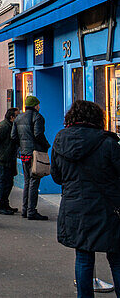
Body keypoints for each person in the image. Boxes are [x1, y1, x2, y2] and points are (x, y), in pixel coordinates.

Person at [51, 100, 120, 298]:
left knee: (83, 257)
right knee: (116, 257)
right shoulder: (108, 142)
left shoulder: (60, 140)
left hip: (75, 208)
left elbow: (57, 177)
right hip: (108, 207)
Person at [11, 95, 50, 219]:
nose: (39, 107)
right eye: (38, 105)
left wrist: (21, 147)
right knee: (34, 181)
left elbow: (13, 136)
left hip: (24, 153)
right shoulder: (37, 117)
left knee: (27, 181)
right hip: (34, 153)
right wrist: (46, 145)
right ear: (35, 106)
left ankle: (25, 209)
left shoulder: (18, 118)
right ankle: (31, 211)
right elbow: (38, 134)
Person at [0, 108, 19, 214]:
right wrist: (0, 153)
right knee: (4, 182)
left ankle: (4, 203)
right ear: (12, 117)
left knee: (9, 182)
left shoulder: (11, 126)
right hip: (2, 159)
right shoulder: (4, 126)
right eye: (17, 115)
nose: (19, 117)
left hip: (8, 158)